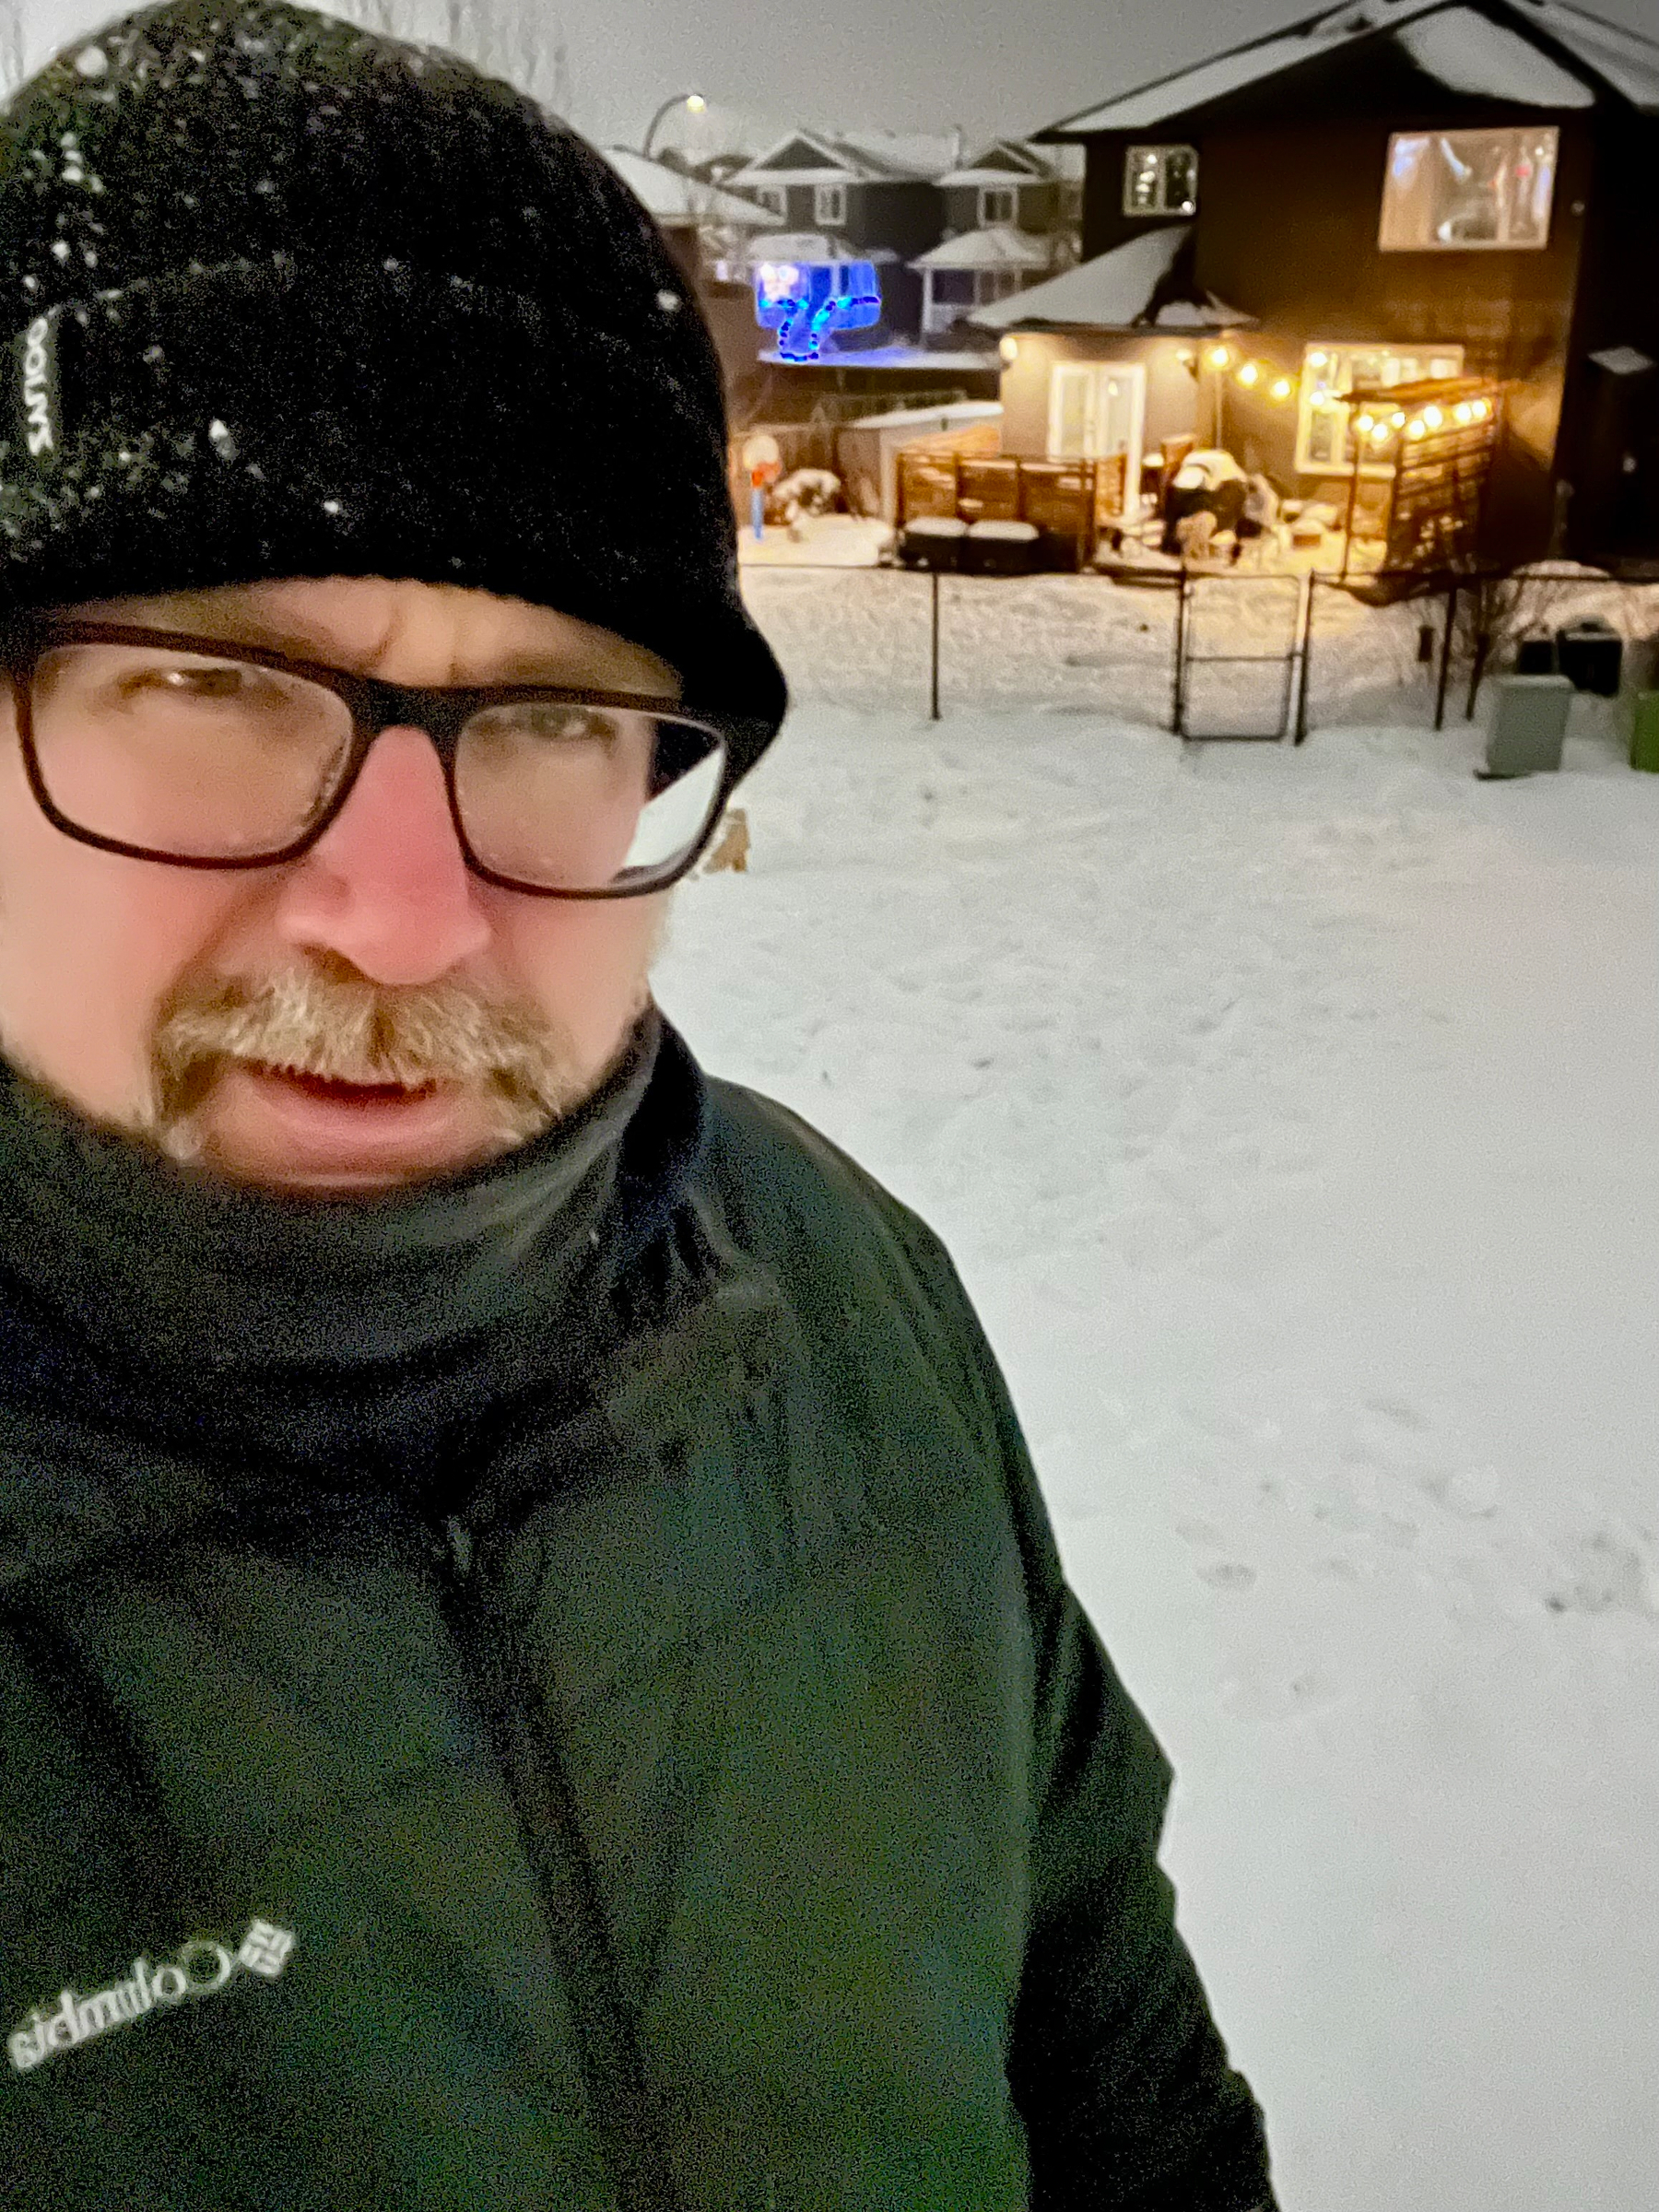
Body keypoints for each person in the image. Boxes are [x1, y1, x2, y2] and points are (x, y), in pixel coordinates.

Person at [0, 6, 1280, 2207]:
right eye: (210, 684)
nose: (399, 923)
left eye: (556, 717)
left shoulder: (831, 1280)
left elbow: (1099, 2023)